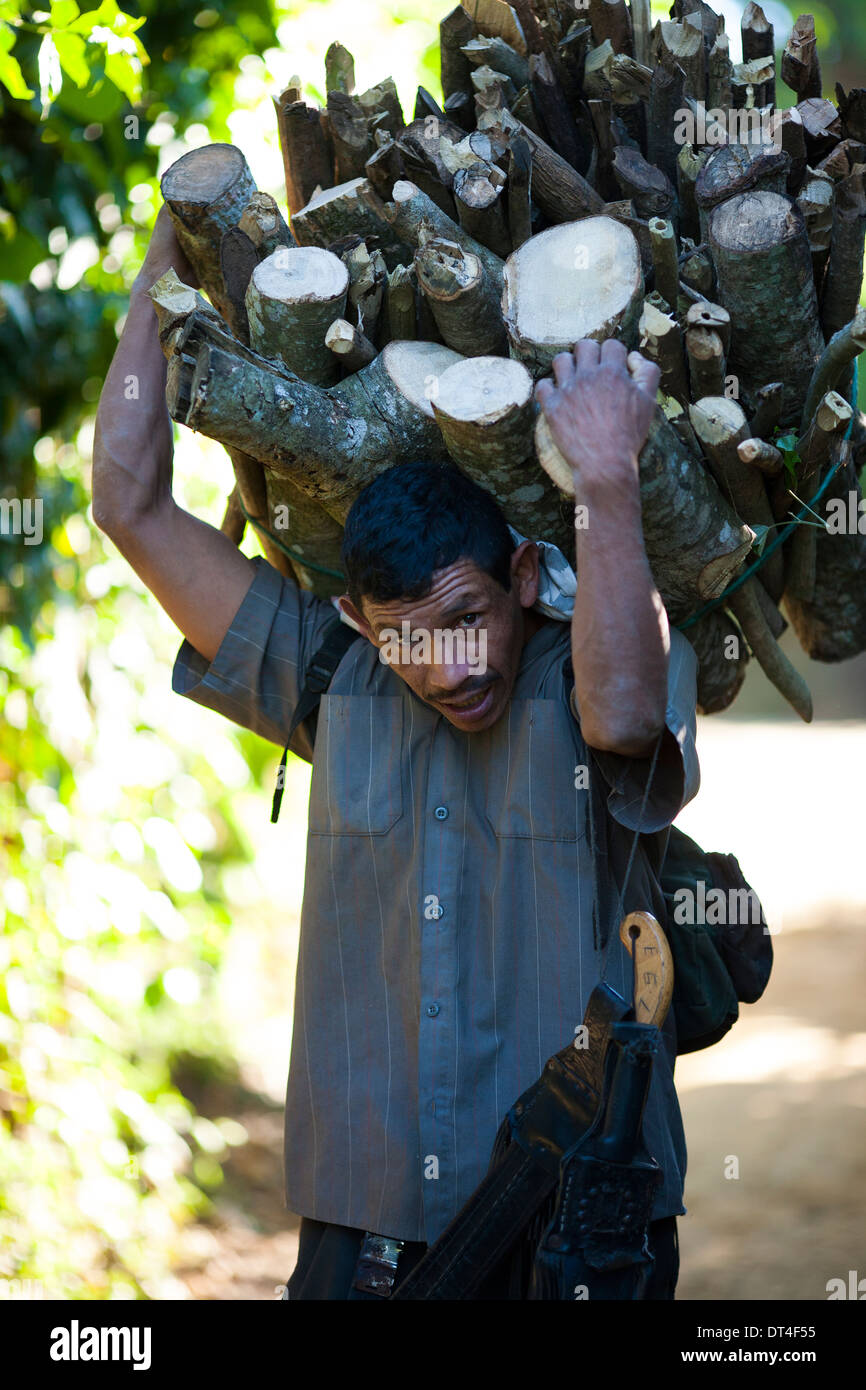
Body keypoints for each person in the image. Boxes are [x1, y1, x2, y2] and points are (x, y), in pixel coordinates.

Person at [92, 209, 699, 1301]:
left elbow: (621, 718)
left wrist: (606, 479)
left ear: (521, 576)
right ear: (364, 624)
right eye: (411, 634)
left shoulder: (594, 655)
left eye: (468, 615)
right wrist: (157, 280)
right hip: (364, 1236)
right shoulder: (334, 681)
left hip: (577, 1229)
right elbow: (128, 507)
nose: (449, 662)